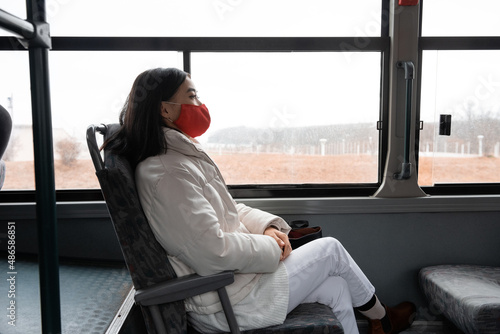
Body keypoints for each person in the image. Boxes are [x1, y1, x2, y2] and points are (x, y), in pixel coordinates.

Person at [104, 67, 416, 334]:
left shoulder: (179, 159)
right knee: (331, 250)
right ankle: (384, 319)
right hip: (226, 300)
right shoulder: (166, 172)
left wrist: (268, 228)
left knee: (336, 288)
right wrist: (272, 248)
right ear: (164, 109)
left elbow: (228, 210)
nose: (200, 104)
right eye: (192, 96)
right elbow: (213, 252)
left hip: (238, 285)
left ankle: (379, 323)